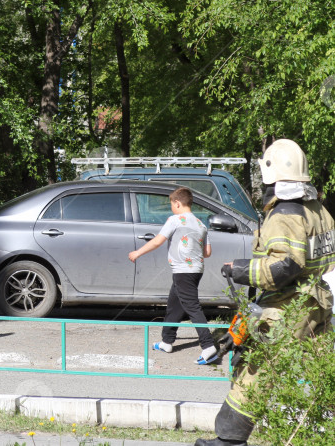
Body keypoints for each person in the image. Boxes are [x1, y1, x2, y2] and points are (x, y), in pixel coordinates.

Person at [195, 139, 335, 446]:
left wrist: (242, 270)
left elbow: (287, 265)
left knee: (256, 369)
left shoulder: (285, 214)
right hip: (318, 302)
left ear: (272, 174)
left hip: (289, 307)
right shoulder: (317, 209)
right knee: (324, 371)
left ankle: (229, 439)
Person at [128, 187, 217, 365]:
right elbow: (207, 252)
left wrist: (138, 252)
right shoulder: (201, 224)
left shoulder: (175, 220)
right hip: (196, 270)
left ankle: (208, 347)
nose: (171, 208)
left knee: (192, 307)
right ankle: (167, 341)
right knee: (174, 305)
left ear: (177, 203)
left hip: (183, 271)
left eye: (171, 205)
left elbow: (158, 241)